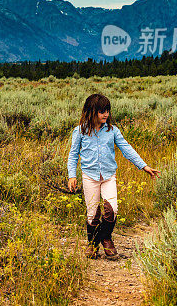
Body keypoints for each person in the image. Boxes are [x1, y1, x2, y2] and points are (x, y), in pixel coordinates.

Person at [66, 93, 159, 259]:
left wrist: (144, 166)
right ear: (91, 111)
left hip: (109, 175)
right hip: (89, 176)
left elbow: (126, 148)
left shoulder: (112, 130)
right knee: (92, 213)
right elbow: (73, 155)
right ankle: (93, 244)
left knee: (112, 210)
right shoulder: (79, 131)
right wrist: (71, 175)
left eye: (107, 110)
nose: (106, 114)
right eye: (102, 111)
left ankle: (106, 238)